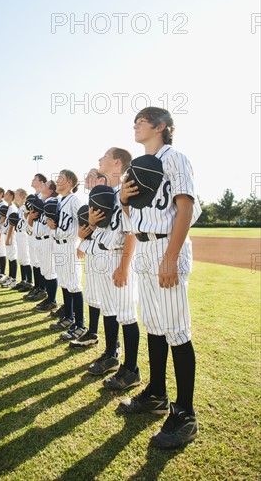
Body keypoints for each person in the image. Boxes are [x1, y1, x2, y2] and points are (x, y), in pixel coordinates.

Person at [118, 106, 201, 449]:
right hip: (145, 248)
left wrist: (170, 258)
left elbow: (185, 207)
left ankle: (185, 415)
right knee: (153, 325)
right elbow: (134, 217)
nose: (135, 125)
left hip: (168, 246)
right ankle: (156, 394)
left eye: (141, 121)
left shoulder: (175, 157)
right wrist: (122, 201)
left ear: (161, 126)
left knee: (176, 330)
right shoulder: (139, 167)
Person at [86, 149, 140, 393]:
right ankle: (111, 354)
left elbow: (131, 232)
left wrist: (124, 267)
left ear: (117, 162)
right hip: (103, 255)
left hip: (119, 256)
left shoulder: (128, 189)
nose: (100, 160)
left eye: (104, 156)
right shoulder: (106, 194)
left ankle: (131, 370)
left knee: (127, 314)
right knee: (109, 309)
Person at [47, 169, 86, 341]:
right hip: (59, 245)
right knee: (65, 283)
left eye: (61, 179)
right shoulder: (61, 200)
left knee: (74, 286)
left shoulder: (75, 200)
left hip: (70, 245)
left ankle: (80, 324)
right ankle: (68, 317)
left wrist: (82, 244)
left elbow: (86, 221)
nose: (57, 181)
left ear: (70, 182)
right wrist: (52, 225)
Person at [69, 169, 106, 348]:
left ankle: (113, 345)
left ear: (100, 179)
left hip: (106, 253)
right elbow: (87, 229)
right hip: (92, 251)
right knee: (92, 294)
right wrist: (82, 239)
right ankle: (92, 332)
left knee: (109, 300)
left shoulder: (107, 197)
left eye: (90, 175)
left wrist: (85, 235)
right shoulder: (90, 201)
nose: (86, 178)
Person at [33, 180, 59, 313]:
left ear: (50, 191)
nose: (42, 185)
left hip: (47, 239)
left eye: (45, 185)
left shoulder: (52, 202)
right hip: (38, 239)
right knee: (44, 270)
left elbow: (53, 223)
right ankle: (49, 298)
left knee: (50, 271)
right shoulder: (41, 202)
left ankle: (52, 300)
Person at [24, 173, 48, 299]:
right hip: (33, 232)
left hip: (42, 234)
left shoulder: (43, 197)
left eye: (35, 179)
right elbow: (27, 215)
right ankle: (38, 286)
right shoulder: (33, 197)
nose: (32, 180)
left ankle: (42, 289)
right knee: (35, 261)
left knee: (41, 263)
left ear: (42, 182)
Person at [12, 188, 33, 292]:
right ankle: (23, 280)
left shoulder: (25, 206)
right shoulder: (19, 208)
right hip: (18, 234)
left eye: (16, 195)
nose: (14, 196)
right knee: (21, 258)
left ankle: (29, 282)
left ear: (21, 196)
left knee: (26, 258)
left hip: (24, 234)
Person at [0, 190, 19, 288]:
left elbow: (12, 224)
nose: (5, 196)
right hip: (7, 234)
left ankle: (13, 279)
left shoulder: (13, 208)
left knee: (12, 256)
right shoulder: (9, 207)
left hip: (11, 235)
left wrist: (9, 238)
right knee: (10, 256)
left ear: (11, 196)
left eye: (6, 194)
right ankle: (10, 276)